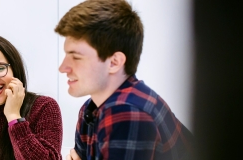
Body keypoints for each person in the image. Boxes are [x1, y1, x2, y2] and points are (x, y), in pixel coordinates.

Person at [54, 0, 193, 159]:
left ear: (114, 62)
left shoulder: (127, 112)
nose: (63, 67)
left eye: (76, 57)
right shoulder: (90, 110)